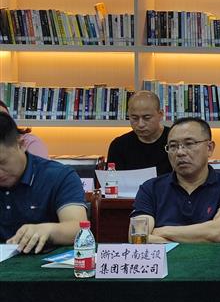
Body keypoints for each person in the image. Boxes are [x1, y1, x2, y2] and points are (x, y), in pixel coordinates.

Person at [131, 117, 220, 243]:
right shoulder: (151, 188)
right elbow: (138, 238)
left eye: (189, 144)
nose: (180, 152)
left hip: (218, 256)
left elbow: (218, 232)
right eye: (173, 146)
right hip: (167, 257)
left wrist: (161, 231)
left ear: (209, 148)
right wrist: (200, 237)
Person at [0, 112, 86, 253]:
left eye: (2, 162)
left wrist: (48, 230)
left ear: (21, 144)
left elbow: (78, 227)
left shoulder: (59, 176)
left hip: (44, 261)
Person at [106, 90, 172, 175]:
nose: (140, 124)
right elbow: (113, 179)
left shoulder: (175, 140)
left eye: (147, 118)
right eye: (135, 118)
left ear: (160, 114)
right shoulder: (118, 145)